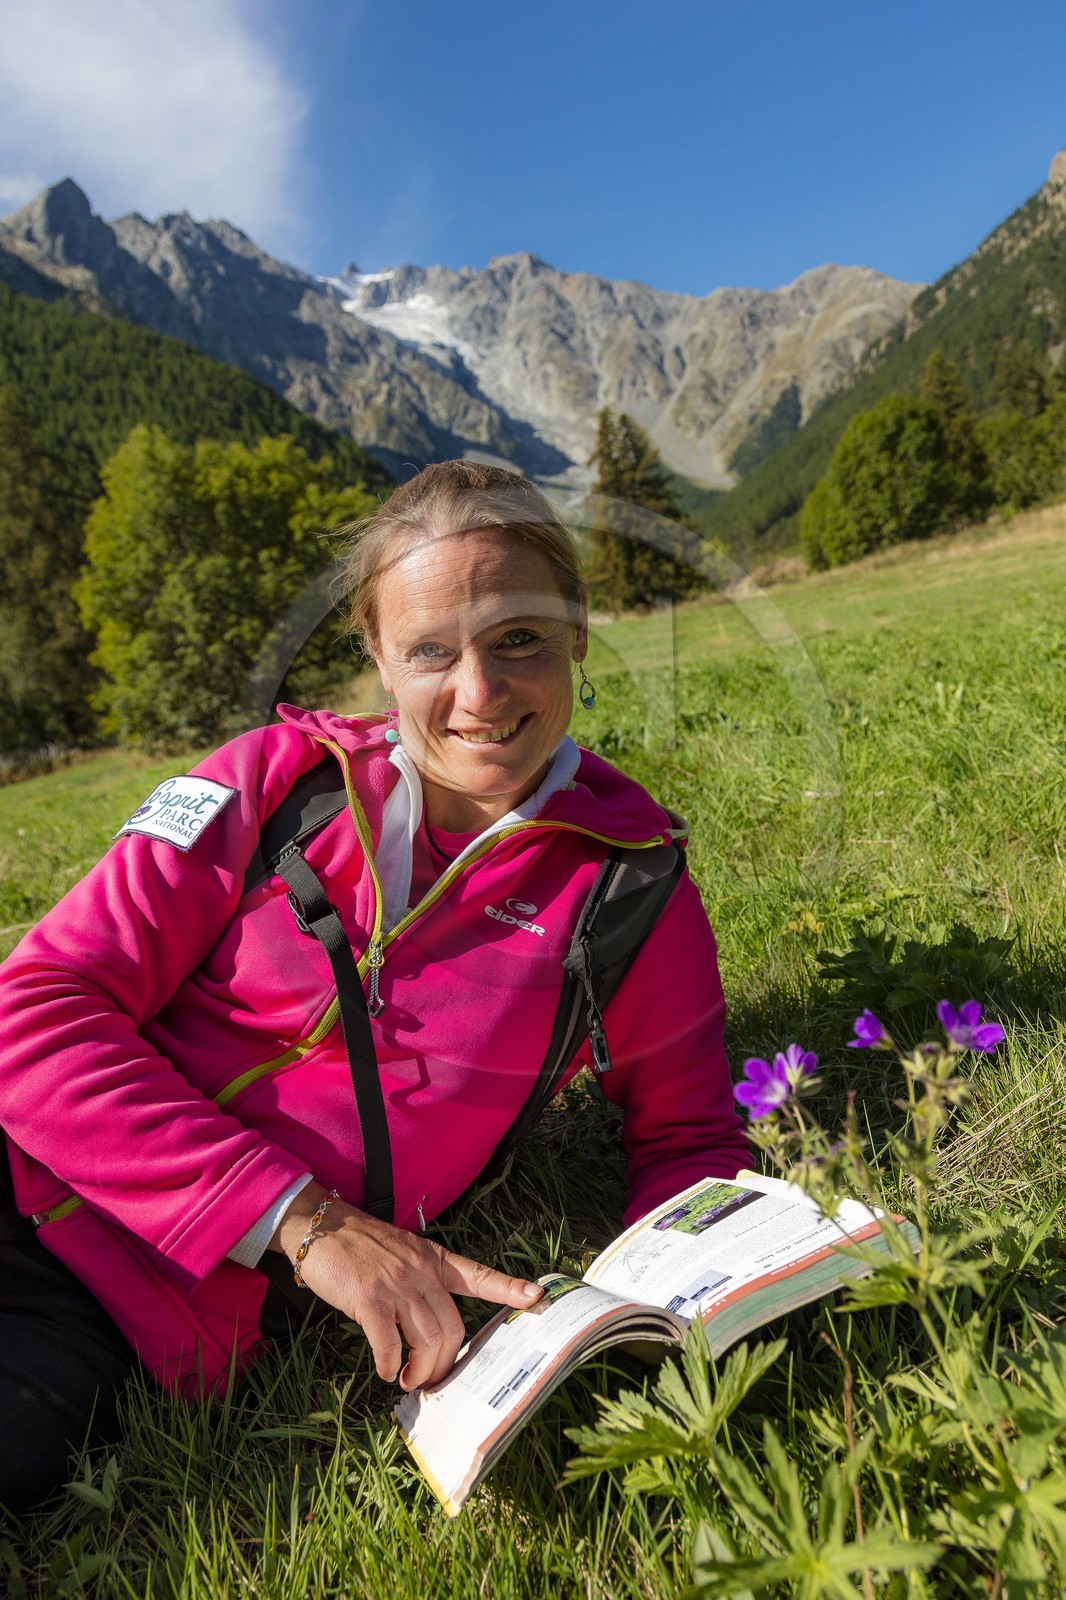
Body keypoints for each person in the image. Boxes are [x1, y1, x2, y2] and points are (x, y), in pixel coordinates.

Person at [0, 460, 748, 1514]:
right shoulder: (266, 784)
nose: (478, 695)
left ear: (578, 627)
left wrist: (686, 1304)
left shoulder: (629, 884)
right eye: (432, 651)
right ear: (377, 652)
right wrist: (307, 1223)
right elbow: (31, 1011)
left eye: (519, 639)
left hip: (122, 1315)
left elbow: (688, 1139)